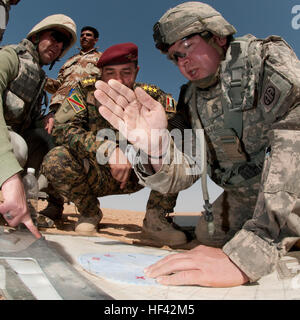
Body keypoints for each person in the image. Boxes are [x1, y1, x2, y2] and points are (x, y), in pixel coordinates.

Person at [94, 1, 300, 287]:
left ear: (217, 36)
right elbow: (186, 171)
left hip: (292, 183)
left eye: (187, 47)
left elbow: (296, 131)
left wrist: (252, 251)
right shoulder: (189, 100)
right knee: (208, 235)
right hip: (247, 193)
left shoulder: (264, 61)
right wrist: (157, 150)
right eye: (175, 57)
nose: (182, 62)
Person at [41, 42, 186, 245]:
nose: (118, 80)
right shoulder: (83, 92)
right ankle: (89, 213)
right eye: (110, 72)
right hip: (94, 173)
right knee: (56, 158)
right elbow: (63, 129)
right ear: (100, 72)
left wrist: (154, 141)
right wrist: (107, 150)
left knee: (177, 149)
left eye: (126, 72)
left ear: (136, 72)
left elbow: (181, 128)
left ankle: (156, 219)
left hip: (140, 173)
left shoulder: (153, 96)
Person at [0, 14, 77, 238]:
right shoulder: (11, 56)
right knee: (18, 147)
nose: (58, 46)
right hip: (5, 141)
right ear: (36, 36)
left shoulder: (39, 79)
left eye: (62, 43)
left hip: (13, 136)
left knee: (51, 139)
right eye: (55, 37)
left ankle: (27, 205)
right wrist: (10, 177)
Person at [44, 25, 102, 129]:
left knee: (73, 135)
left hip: (80, 104)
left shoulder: (101, 58)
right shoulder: (70, 60)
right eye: (82, 35)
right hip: (58, 105)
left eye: (88, 35)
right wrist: (42, 80)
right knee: (49, 137)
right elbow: (58, 85)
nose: (84, 37)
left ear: (95, 40)